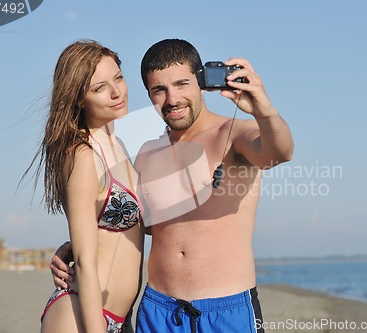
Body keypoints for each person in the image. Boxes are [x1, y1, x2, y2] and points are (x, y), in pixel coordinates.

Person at [51, 39, 294, 333]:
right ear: (149, 94)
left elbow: (279, 152)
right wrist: (78, 244)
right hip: (157, 310)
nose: (173, 98)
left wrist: (263, 110)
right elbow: (134, 223)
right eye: (159, 90)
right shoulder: (144, 154)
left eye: (182, 84)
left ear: (201, 83)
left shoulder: (235, 134)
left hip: (226, 309)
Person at [26, 40, 144, 333]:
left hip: (120, 319)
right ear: (79, 99)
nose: (117, 92)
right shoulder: (82, 154)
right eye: (99, 87)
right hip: (82, 316)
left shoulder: (121, 146)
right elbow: (86, 261)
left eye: (118, 78)